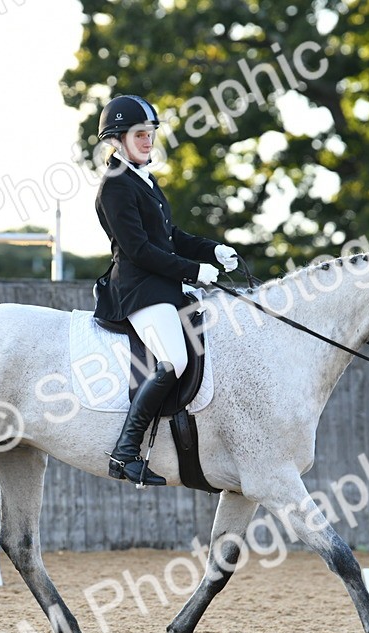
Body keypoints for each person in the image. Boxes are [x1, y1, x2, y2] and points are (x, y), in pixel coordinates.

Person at [92, 94, 239, 486]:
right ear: (117, 139)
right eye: (140, 134)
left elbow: (170, 236)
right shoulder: (115, 187)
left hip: (164, 287)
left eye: (151, 133)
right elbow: (139, 250)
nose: (148, 141)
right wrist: (195, 271)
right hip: (138, 290)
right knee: (174, 359)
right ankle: (125, 452)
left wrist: (212, 249)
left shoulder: (145, 180)